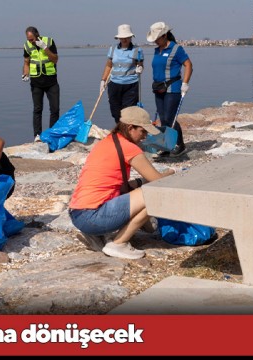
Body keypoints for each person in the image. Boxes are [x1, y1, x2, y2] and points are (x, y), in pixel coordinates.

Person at [68, 106, 177, 260]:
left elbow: (120, 183)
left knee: (140, 194)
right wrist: (170, 173)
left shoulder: (108, 141)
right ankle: (118, 243)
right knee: (154, 194)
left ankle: (98, 235)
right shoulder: (129, 148)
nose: (145, 137)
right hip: (92, 216)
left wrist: (141, 182)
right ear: (130, 128)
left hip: (77, 214)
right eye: (143, 131)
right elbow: (157, 181)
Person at [147, 21, 193, 157]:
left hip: (173, 88)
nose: (155, 41)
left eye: (157, 38)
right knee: (163, 119)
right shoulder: (157, 50)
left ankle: (180, 145)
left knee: (169, 117)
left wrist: (185, 83)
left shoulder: (176, 49)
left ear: (165, 35)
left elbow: (189, 65)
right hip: (159, 89)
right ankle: (167, 146)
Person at [99, 24, 144, 124]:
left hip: (131, 85)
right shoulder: (113, 49)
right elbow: (108, 66)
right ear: (118, 38)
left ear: (131, 37)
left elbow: (140, 65)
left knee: (128, 112)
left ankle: (126, 132)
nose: (124, 40)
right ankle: (119, 128)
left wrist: (140, 68)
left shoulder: (137, 50)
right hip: (114, 84)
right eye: (122, 38)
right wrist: (103, 80)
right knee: (115, 111)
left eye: (126, 37)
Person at [22, 26, 60, 142]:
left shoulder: (49, 41)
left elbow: (55, 59)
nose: (30, 42)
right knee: (37, 109)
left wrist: (44, 48)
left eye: (32, 39)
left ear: (37, 35)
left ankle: (52, 134)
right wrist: (25, 73)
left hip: (51, 81)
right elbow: (26, 62)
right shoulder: (27, 45)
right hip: (36, 82)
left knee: (55, 109)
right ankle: (37, 135)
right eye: (28, 39)